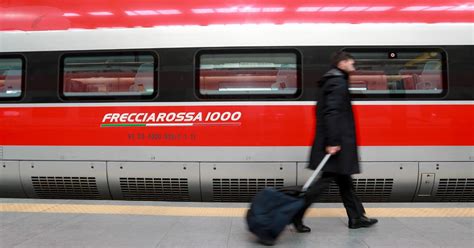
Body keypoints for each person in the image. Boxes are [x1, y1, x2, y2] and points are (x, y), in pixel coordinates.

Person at [292, 51, 378, 233]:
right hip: (336, 143)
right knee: (324, 182)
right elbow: (332, 113)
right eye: (351, 63)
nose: (353, 66)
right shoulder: (337, 82)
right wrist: (333, 141)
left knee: (345, 180)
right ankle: (296, 213)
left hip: (336, 141)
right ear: (342, 63)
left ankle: (356, 217)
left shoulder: (332, 79)